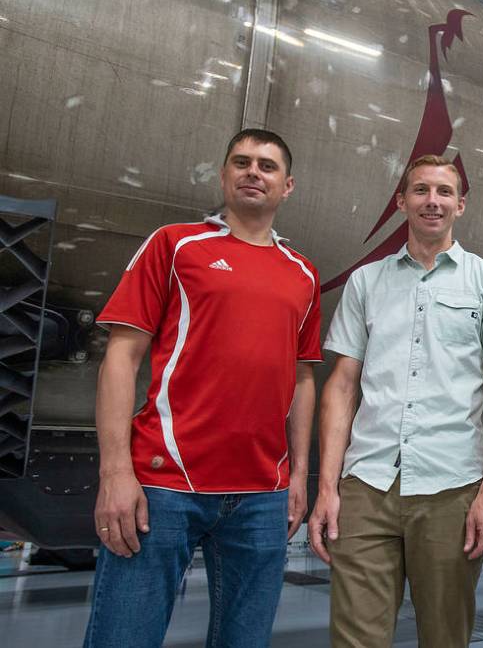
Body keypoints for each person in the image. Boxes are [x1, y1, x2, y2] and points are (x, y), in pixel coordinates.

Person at [84, 129, 321, 647]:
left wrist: (299, 475)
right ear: (223, 175)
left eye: (267, 166)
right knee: (124, 637)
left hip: (263, 494)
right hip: (164, 484)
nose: (253, 172)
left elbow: (303, 376)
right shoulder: (175, 244)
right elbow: (121, 356)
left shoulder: (302, 273)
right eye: (242, 162)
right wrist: (116, 472)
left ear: (288, 186)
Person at [308, 154, 483, 648]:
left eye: (445, 192)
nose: (433, 201)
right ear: (401, 202)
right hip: (367, 484)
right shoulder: (367, 281)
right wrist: (327, 488)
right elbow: (341, 385)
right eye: (421, 190)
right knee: (355, 639)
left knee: (445, 637)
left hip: (452, 487)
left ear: (460, 205)